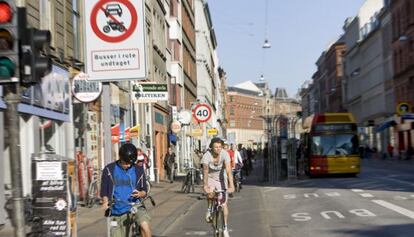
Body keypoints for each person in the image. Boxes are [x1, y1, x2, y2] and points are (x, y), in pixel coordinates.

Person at [100, 143, 152, 237]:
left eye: (131, 163)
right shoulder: (109, 170)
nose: (128, 165)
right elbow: (104, 190)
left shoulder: (138, 170)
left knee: (145, 227)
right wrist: (105, 202)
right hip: (117, 210)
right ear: (121, 158)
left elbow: (144, 190)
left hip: (136, 206)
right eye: (126, 163)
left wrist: (140, 193)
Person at [202, 137, 234, 237]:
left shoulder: (225, 154)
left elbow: (228, 171)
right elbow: (206, 171)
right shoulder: (207, 156)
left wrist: (231, 185)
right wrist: (205, 185)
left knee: (224, 204)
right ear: (211, 147)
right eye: (216, 147)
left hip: (221, 178)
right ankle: (209, 209)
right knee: (210, 193)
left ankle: (225, 228)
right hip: (210, 177)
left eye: (220, 147)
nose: (218, 149)